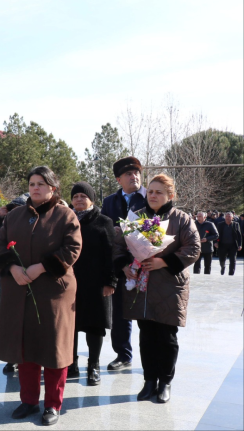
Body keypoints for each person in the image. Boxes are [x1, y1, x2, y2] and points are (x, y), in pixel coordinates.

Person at [0, 166, 81, 426]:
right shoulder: (15, 215)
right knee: (26, 348)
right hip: (19, 291)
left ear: (52, 187)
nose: (35, 187)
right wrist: (13, 267)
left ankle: (53, 404)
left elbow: (72, 248)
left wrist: (41, 267)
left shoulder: (66, 215)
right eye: (32, 183)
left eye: (41, 183)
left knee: (53, 350)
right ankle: (29, 400)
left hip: (53, 293)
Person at [114, 173, 200, 403]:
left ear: (170, 195)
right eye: (150, 191)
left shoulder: (182, 219)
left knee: (167, 336)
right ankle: (149, 380)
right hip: (142, 287)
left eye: (159, 192)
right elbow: (119, 246)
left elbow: (193, 248)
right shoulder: (137, 217)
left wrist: (164, 261)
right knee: (147, 336)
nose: (153, 195)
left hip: (170, 287)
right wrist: (124, 266)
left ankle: (165, 382)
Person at [100, 156, 147, 373]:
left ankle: (151, 357)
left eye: (136, 172)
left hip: (147, 264)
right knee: (120, 313)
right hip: (120, 266)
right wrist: (122, 264)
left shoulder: (151, 196)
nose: (134, 176)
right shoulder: (109, 202)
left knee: (147, 313)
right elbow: (104, 233)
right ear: (119, 179)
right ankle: (123, 354)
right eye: (128, 174)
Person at [68, 182, 115, 385]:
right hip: (69, 283)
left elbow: (111, 253)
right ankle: (71, 363)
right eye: (76, 196)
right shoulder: (65, 220)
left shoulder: (103, 221)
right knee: (69, 325)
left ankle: (93, 366)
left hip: (96, 283)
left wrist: (110, 281)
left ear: (91, 199)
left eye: (83, 196)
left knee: (94, 326)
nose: (79, 199)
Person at [0, 193, 29, 374]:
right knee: (9, 321)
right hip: (6, 277)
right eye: (11, 209)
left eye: (18, 209)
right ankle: (12, 359)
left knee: (25, 321)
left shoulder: (33, 222)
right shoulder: (6, 223)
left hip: (28, 276)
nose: (14, 212)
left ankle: (25, 357)